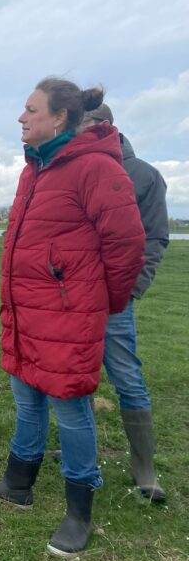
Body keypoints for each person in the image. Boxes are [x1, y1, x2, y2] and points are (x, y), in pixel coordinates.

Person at [0, 78, 145, 557]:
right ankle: (17, 484)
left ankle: (78, 512)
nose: (21, 119)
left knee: (70, 409)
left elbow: (127, 246)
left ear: (59, 117)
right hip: (27, 311)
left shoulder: (93, 167)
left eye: (30, 110)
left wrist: (93, 303)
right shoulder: (34, 169)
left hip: (69, 316)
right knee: (26, 399)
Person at [78, 104, 168, 502]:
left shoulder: (144, 175)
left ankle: (143, 467)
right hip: (71, 297)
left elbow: (155, 238)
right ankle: (82, 449)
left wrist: (131, 289)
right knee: (75, 376)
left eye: (80, 123)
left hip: (114, 300)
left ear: (104, 126)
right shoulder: (70, 170)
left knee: (127, 377)